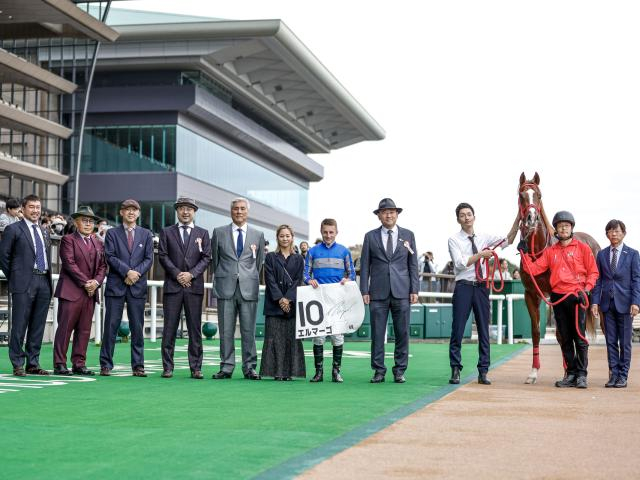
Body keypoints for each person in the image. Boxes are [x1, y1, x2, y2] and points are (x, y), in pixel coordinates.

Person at [523, 211, 599, 388]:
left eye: (566, 226)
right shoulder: (550, 252)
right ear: (555, 229)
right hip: (558, 297)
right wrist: (525, 253)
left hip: (576, 295)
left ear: (571, 228)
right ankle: (570, 374)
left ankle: (581, 375)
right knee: (564, 337)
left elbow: (593, 272)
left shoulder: (583, 248)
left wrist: (586, 290)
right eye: (560, 226)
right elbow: (533, 270)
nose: (563, 228)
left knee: (579, 336)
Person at [448, 202, 519, 385]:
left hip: (481, 287)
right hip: (464, 286)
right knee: (457, 329)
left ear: (474, 216)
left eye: (469, 214)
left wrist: (519, 218)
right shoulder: (454, 240)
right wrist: (481, 255)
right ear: (458, 219)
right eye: (462, 215)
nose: (466, 217)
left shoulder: (485, 237)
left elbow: (508, 240)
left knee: (483, 329)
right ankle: (455, 369)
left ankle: (483, 371)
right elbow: (459, 263)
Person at [360, 198, 419, 384]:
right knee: (377, 333)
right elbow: (365, 265)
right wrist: (364, 290)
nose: (389, 215)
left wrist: (414, 289)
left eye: (392, 211)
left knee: (402, 333)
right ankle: (378, 370)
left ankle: (400, 370)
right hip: (377, 292)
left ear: (397, 214)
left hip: (402, 292)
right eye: (385, 212)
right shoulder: (370, 237)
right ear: (379, 215)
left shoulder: (408, 235)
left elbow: (413, 264)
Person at [211, 197, 266, 380]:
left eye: (242, 209)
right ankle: (226, 367)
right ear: (231, 211)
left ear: (247, 212)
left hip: (248, 287)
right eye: (236, 209)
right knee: (226, 330)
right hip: (225, 286)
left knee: (248, 330)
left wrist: (246, 276)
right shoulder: (218, 232)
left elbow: (257, 264)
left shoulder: (258, 235)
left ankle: (249, 367)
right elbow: (215, 261)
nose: (239, 212)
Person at [158, 197, 212, 379]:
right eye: (182, 208)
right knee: (169, 328)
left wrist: (191, 274)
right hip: (173, 286)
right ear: (177, 211)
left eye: (189, 208)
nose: (186, 212)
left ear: (194, 211)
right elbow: (163, 256)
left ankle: (196, 367)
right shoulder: (166, 232)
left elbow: (206, 257)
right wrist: (178, 274)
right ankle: (167, 367)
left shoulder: (203, 233)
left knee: (195, 328)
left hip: (194, 286)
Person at [99, 199, 154, 377]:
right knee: (110, 326)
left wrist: (135, 273)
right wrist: (127, 272)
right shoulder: (112, 233)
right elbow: (110, 256)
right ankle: (106, 364)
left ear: (138, 213)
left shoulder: (146, 234)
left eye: (134, 210)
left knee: (137, 327)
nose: (131, 212)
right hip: (116, 285)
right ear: (121, 212)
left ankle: (138, 365)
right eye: (127, 209)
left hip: (137, 286)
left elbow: (149, 259)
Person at [0, 195, 53, 376]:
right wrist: (15, 277)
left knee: (38, 325)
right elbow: (4, 257)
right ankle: (17, 363)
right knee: (19, 324)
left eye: (38, 207)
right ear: (23, 209)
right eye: (32, 207)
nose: (36, 210)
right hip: (24, 282)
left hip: (44, 281)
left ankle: (33, 363)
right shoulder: (13, 229)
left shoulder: (44, 231)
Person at [53, 206, 107, 375]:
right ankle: (60, 363)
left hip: (90, 293)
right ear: (76, 222)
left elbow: (103, 266)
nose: (88, 224)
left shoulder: (98, 242)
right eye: (84, 220)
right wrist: (87, 283)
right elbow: (69, 264)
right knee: (65, 328)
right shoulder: (68, 240)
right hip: (71, 291)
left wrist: (96, 282)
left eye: (91, 221)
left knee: (84, 330)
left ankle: (79, 363)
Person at [304, 218, 355, 383]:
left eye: (331, 232)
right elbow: (305, 273)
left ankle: (336, 372)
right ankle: (318, 373)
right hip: (318, 300)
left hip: (338, 300)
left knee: (337, 336)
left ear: (336, 232)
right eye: (325, 232)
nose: (328, 235)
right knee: (318, 337)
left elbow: (352, 273)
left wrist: (347, 280)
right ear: (321, 232)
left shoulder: (344, 252)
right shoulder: (312, 251)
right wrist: (308, 280)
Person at [591, 219, 640, 388]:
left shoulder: (633, 254)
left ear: (624, 233)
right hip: (606, 304)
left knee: (625, 342)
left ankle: (623, 376)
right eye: (610, 231)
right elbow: (597, 280)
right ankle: (613, 374)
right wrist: (595, 302)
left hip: (626, 304)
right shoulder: (602, 254)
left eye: (617, 231)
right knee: (610, 341)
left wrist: (636, 302)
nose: (614, 234)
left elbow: (636, 280)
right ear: (606, 234)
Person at [259, 225, 306, 380]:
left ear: (292, 237)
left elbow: (299, 280)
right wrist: (280, 298)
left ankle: (291, 372)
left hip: (292, 305)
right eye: (281, 236)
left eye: (287, 236)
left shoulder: (299, 259)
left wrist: (289, 298)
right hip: (274, 304)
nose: (285, 239)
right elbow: (269, 279)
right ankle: (275, 372)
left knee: (290, 338)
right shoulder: (271, 257)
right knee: (274, 338)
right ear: (277, 238)